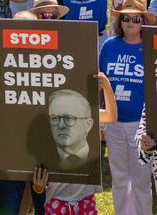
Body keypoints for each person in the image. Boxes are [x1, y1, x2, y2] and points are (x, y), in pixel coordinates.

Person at [30, 76, 118, 215]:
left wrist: (106, 87)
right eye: (56, 118)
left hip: (85, 202)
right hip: (55, 202)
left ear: (87, 124)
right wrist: (38, 187)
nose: (62, 125)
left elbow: (111, 116)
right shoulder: (45, 142)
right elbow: (39, 188)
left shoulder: (89, 117)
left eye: (70, 118)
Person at [99, 0, 153, 215]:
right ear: (119, 21)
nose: (131, 22)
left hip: (140, 126)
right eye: (126, 18)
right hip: (113, 124)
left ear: (143, 22)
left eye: (136, 18)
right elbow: (99, 82)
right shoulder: (109, 46)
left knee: (141, 181)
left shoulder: (150, 48)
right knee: (120, 178)